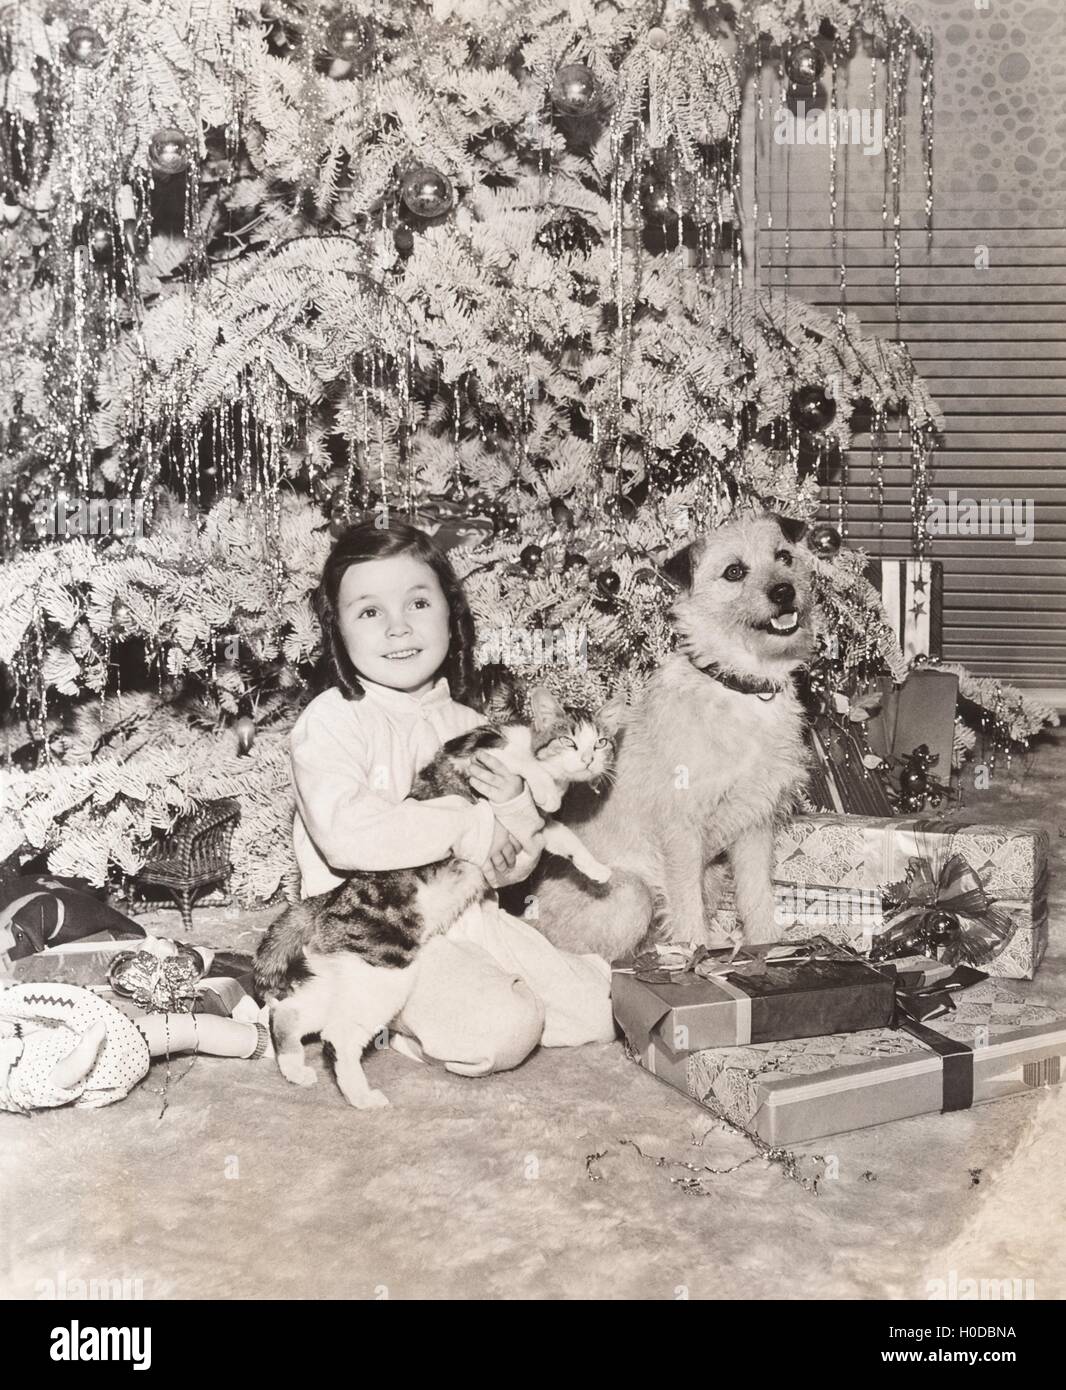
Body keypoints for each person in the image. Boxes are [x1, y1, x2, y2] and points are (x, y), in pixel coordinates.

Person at [288, 519, 615, 1077]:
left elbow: (510, 868)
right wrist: (466, 826)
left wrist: (513, 804)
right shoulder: (333, 721)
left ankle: (475, 990)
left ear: (450, 615)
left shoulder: (469, 724)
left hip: (469, 915)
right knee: (507, 1029)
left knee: (599, 1009)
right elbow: (345, 836)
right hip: (383, 931)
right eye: (369, 612)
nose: (398, 628)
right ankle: (395, 1016)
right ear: (338, 631)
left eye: (417, 603)